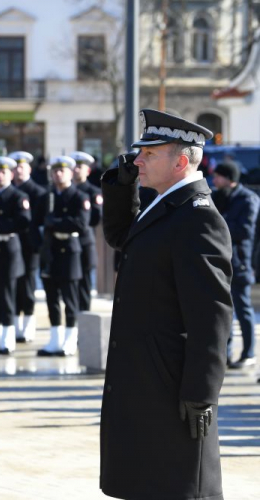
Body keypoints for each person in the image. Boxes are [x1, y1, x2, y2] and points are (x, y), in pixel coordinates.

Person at [100, 109, 232, 499]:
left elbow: (212, 317)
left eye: (149, 154)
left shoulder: (198, 218)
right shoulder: (164, 205)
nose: (137, 160)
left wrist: (201, 393)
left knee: (176, 488)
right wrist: (121, 187)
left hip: (173, 390)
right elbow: (123, 237)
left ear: (180, 161)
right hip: (147, 382)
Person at [36, 156, 90, 357]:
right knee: (52, 299)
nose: (58, 174)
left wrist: (55, 223)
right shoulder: (46, 197)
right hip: (51, 251)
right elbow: (36, 223)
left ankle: (69, 339)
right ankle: (55, 339)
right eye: (55, 171)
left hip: (69, 250)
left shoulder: (79, 197)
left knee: (69, 298)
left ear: (70, 172)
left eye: (63, 170)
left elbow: (80, 223)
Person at [211, 160, 259, 369]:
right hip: (219, 262)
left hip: (239, 263)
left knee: (243, 309)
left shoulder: (248, 199)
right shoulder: (218, 197)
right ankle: (226, 354)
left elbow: (245, 231)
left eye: (218, 176)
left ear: (229, 179)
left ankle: (248, 353)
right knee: (223, 311)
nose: (214, 180)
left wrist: (218, 225)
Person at [0, 156, 31, 356]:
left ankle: (8, 339)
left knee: (7, 296)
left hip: (9, 248)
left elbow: (23, 221)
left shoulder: (18, 196)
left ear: (10, 174)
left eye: (3, 172)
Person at [10, 151, 46, 343]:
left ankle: (29, 325)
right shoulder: (9, 191)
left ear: (29, 169)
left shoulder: (37, 192)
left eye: (22, 167)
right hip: (12, 244)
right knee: (14, 284)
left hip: (30, 245)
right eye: (15, 167)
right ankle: (16, 325)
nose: (18, 171)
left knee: (28, 285)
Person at [71, 151, 103, 312]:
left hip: (83, 241)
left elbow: (95, 218)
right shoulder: (64, 191)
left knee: (84, 284)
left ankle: (83, 319)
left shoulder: (93, 192)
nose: (76, 170)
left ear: (88, 171)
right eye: (74, 167)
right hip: (66, 244)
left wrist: (75, 224)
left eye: (80, 167)